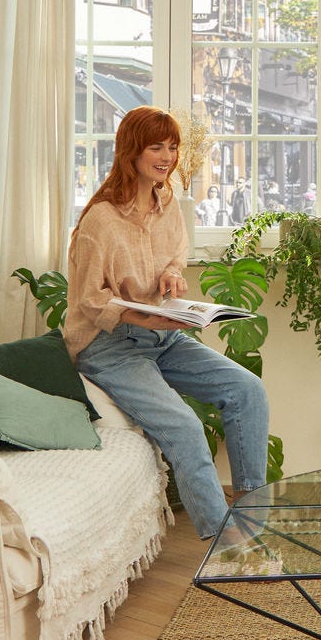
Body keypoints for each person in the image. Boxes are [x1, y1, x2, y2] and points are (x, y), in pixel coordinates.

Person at [63, 106, 270, 540]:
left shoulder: (168, 202)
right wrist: (144, 314)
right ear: (131, 150)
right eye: (157, 146)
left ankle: (252, 522)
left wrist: (172, 276)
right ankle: (224, 542)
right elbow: (89, 300)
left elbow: (174, 254)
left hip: (161, 335)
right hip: (110, 343)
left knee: (247, 389)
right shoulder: (99, 220)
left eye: (172, 147)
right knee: (184, 426)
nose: (168, 155)